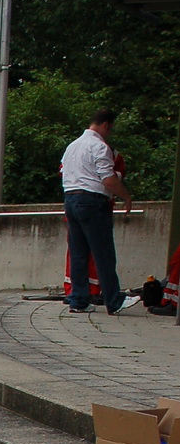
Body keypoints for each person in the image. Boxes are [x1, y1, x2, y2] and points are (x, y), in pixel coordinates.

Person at [61, 108, 137, 315]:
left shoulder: (72, 146)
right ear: (106, 125)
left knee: (78, 253)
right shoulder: (99, 147)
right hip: (93, 201)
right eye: (110, 129)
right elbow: (108, 180)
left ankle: (78, 300)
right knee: (103, 252)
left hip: (71, 198)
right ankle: (114, 300)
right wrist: (126, 197)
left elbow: (64, 173)